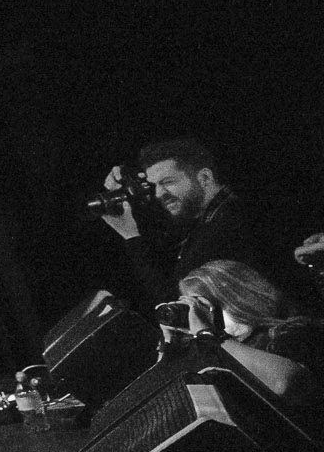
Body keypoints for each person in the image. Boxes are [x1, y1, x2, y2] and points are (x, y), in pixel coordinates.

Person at [98, 139, 274, 306]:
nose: (158, 194)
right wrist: (126, 178)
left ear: (205, 177)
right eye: (154, 186)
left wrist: (130, 236)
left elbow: (177, 302)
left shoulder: (228, 223)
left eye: (168, 182)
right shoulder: (212, 215)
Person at [174, 258, 324, 406]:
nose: (196, 316)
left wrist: (211, 335)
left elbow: (285, 384)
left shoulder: (293, 332)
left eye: (200, 306)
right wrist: (170, 347)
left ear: (233, 300)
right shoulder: (215, 352)